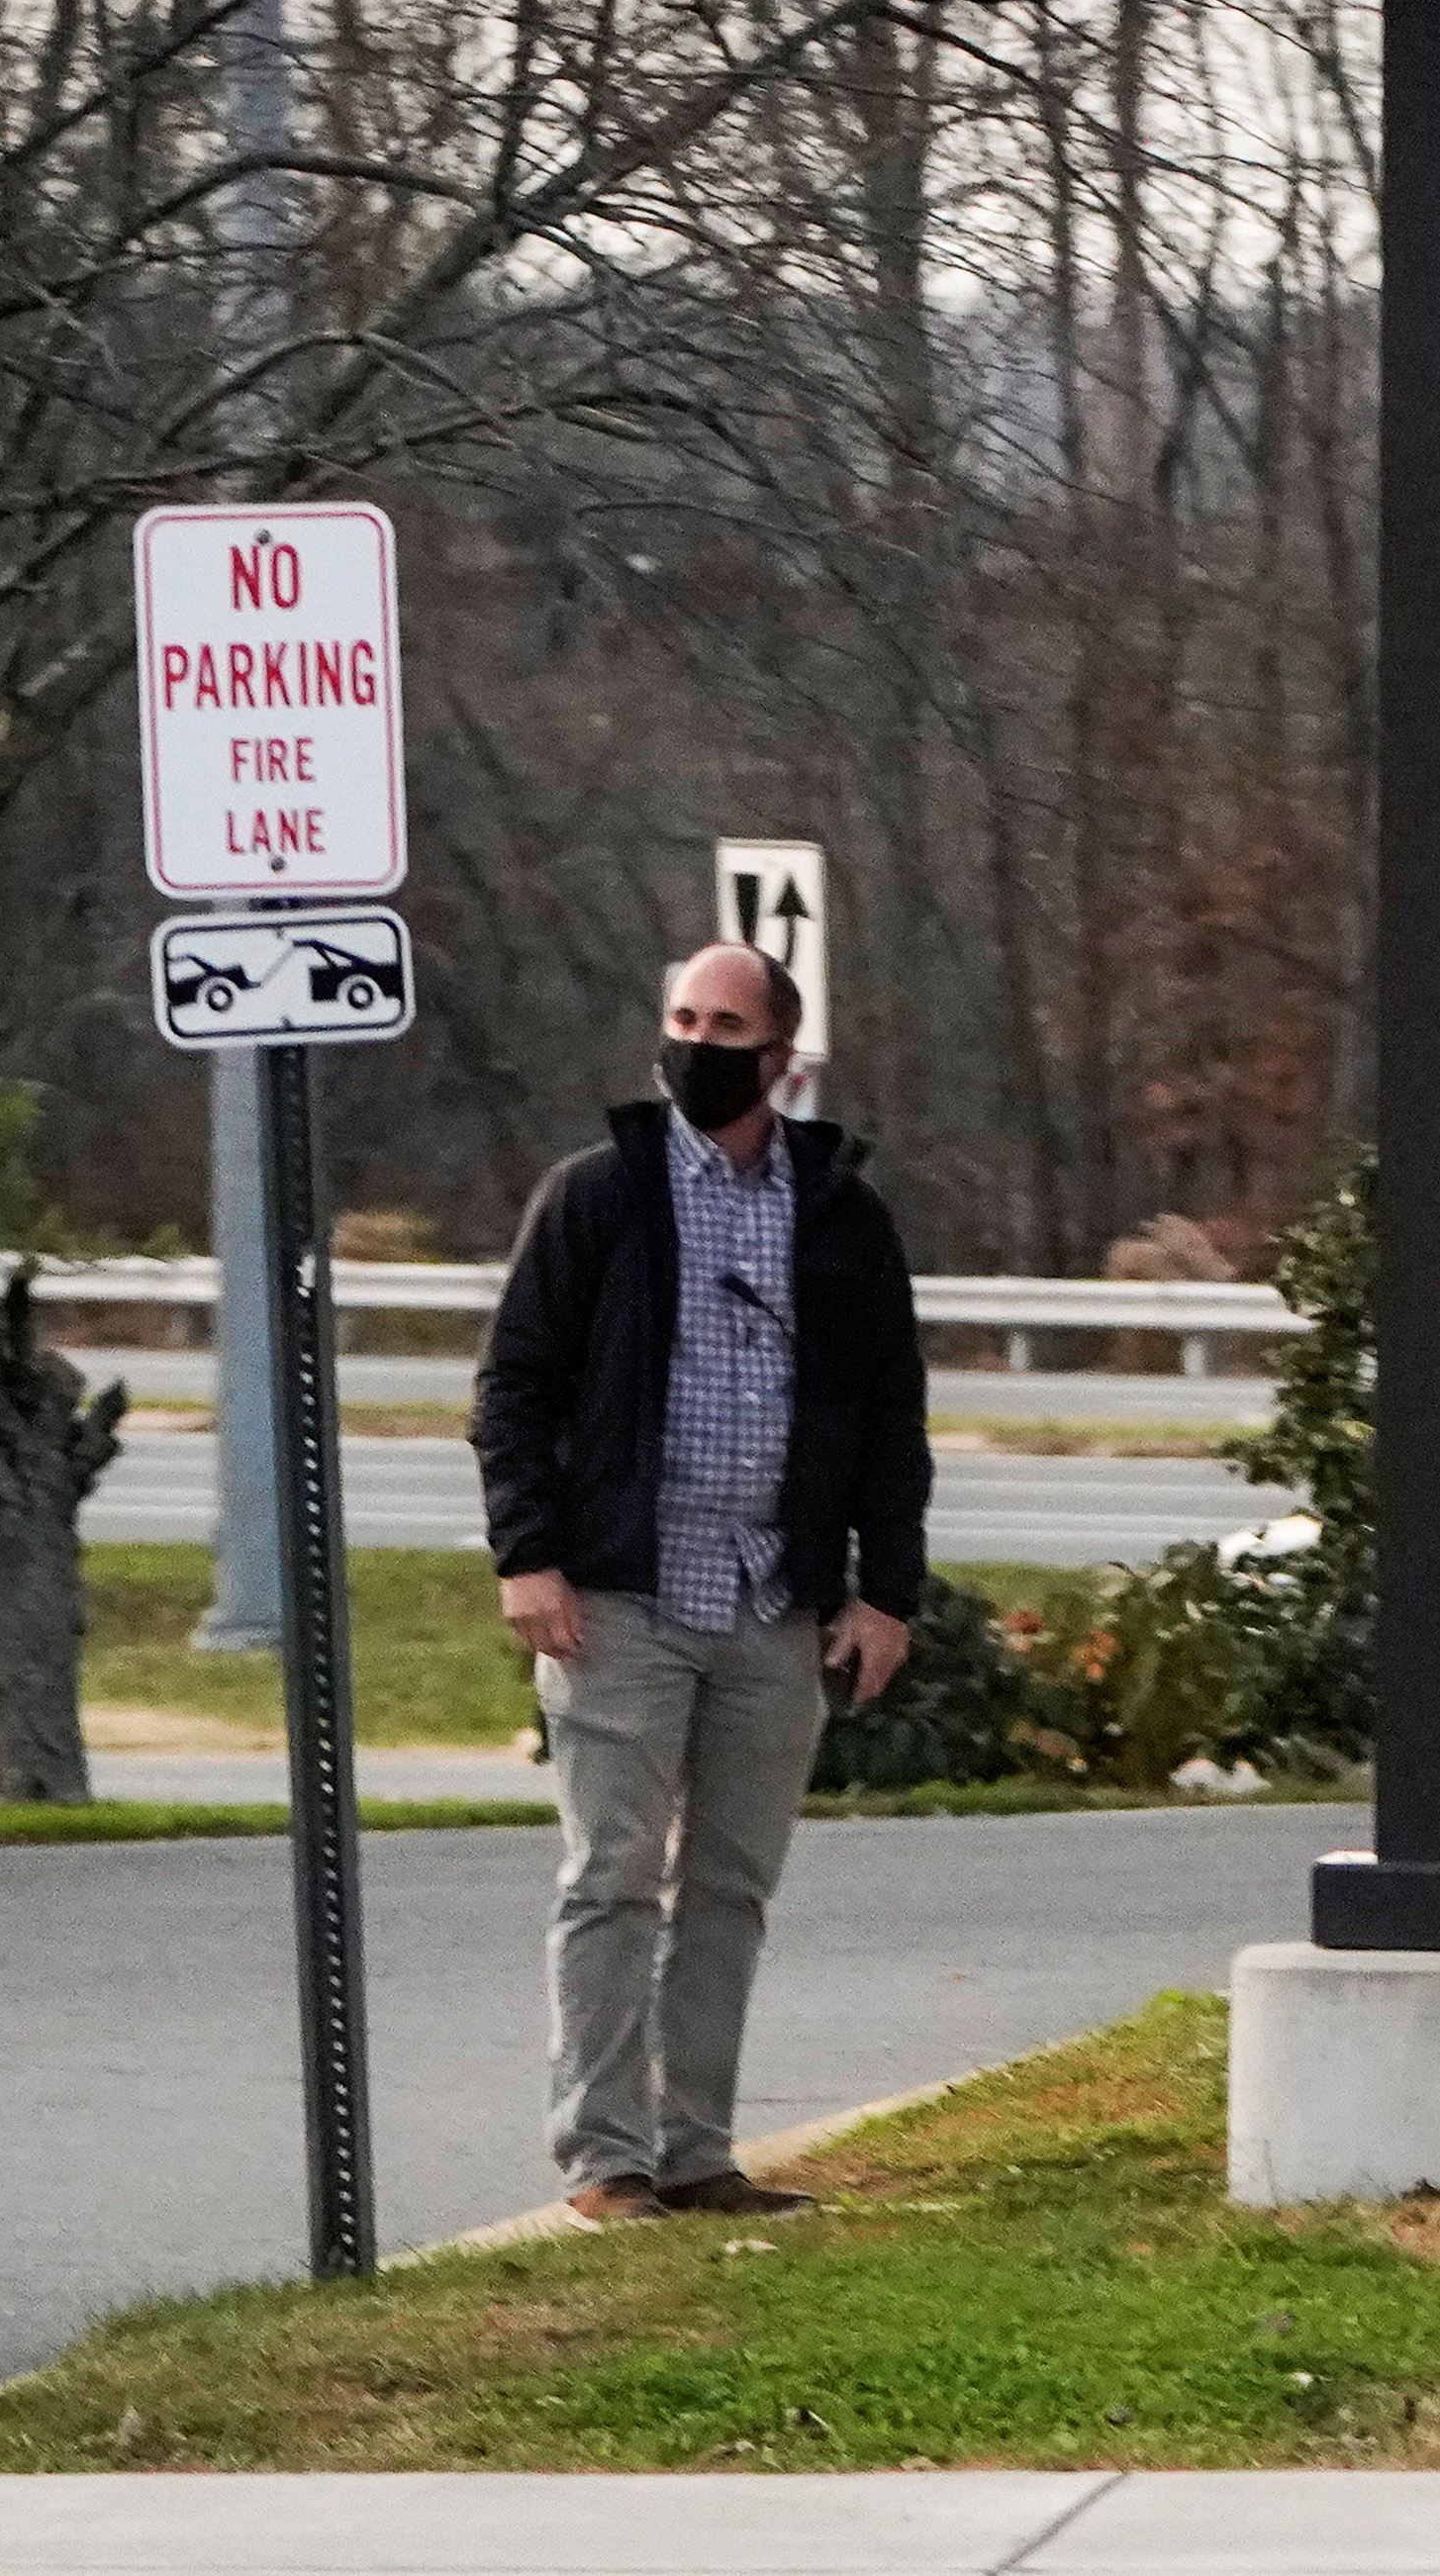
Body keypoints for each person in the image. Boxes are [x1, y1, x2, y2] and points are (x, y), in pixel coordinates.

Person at [471, 943, 927, 2224]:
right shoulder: (596, 1195)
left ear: (780, 1053)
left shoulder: (840, 1216)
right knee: (610, 1876)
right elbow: (513, 1387)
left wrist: (885, 1589)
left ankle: (696, 2150)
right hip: (618, 1596)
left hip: (773, 1600)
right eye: (681, 1017)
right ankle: (605, 2157)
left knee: (728, 1886)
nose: (697, 1043)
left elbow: (891, 1413)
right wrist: (527, 1554)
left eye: (726, 1025)